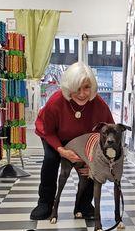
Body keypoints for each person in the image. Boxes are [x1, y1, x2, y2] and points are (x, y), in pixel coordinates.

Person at [30, 62, 114, 220]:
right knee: (51, 160)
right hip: (55, 136)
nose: (82, 94)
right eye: (77, 89)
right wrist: (62, 150)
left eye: (86, 87)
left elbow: (109, 134)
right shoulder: (56, 102)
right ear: (69, 88)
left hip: (85, 141)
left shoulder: (100, 105)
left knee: (89, 165)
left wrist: (97, 164)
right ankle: (45, 203)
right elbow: (48, 131)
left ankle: (84, 204)